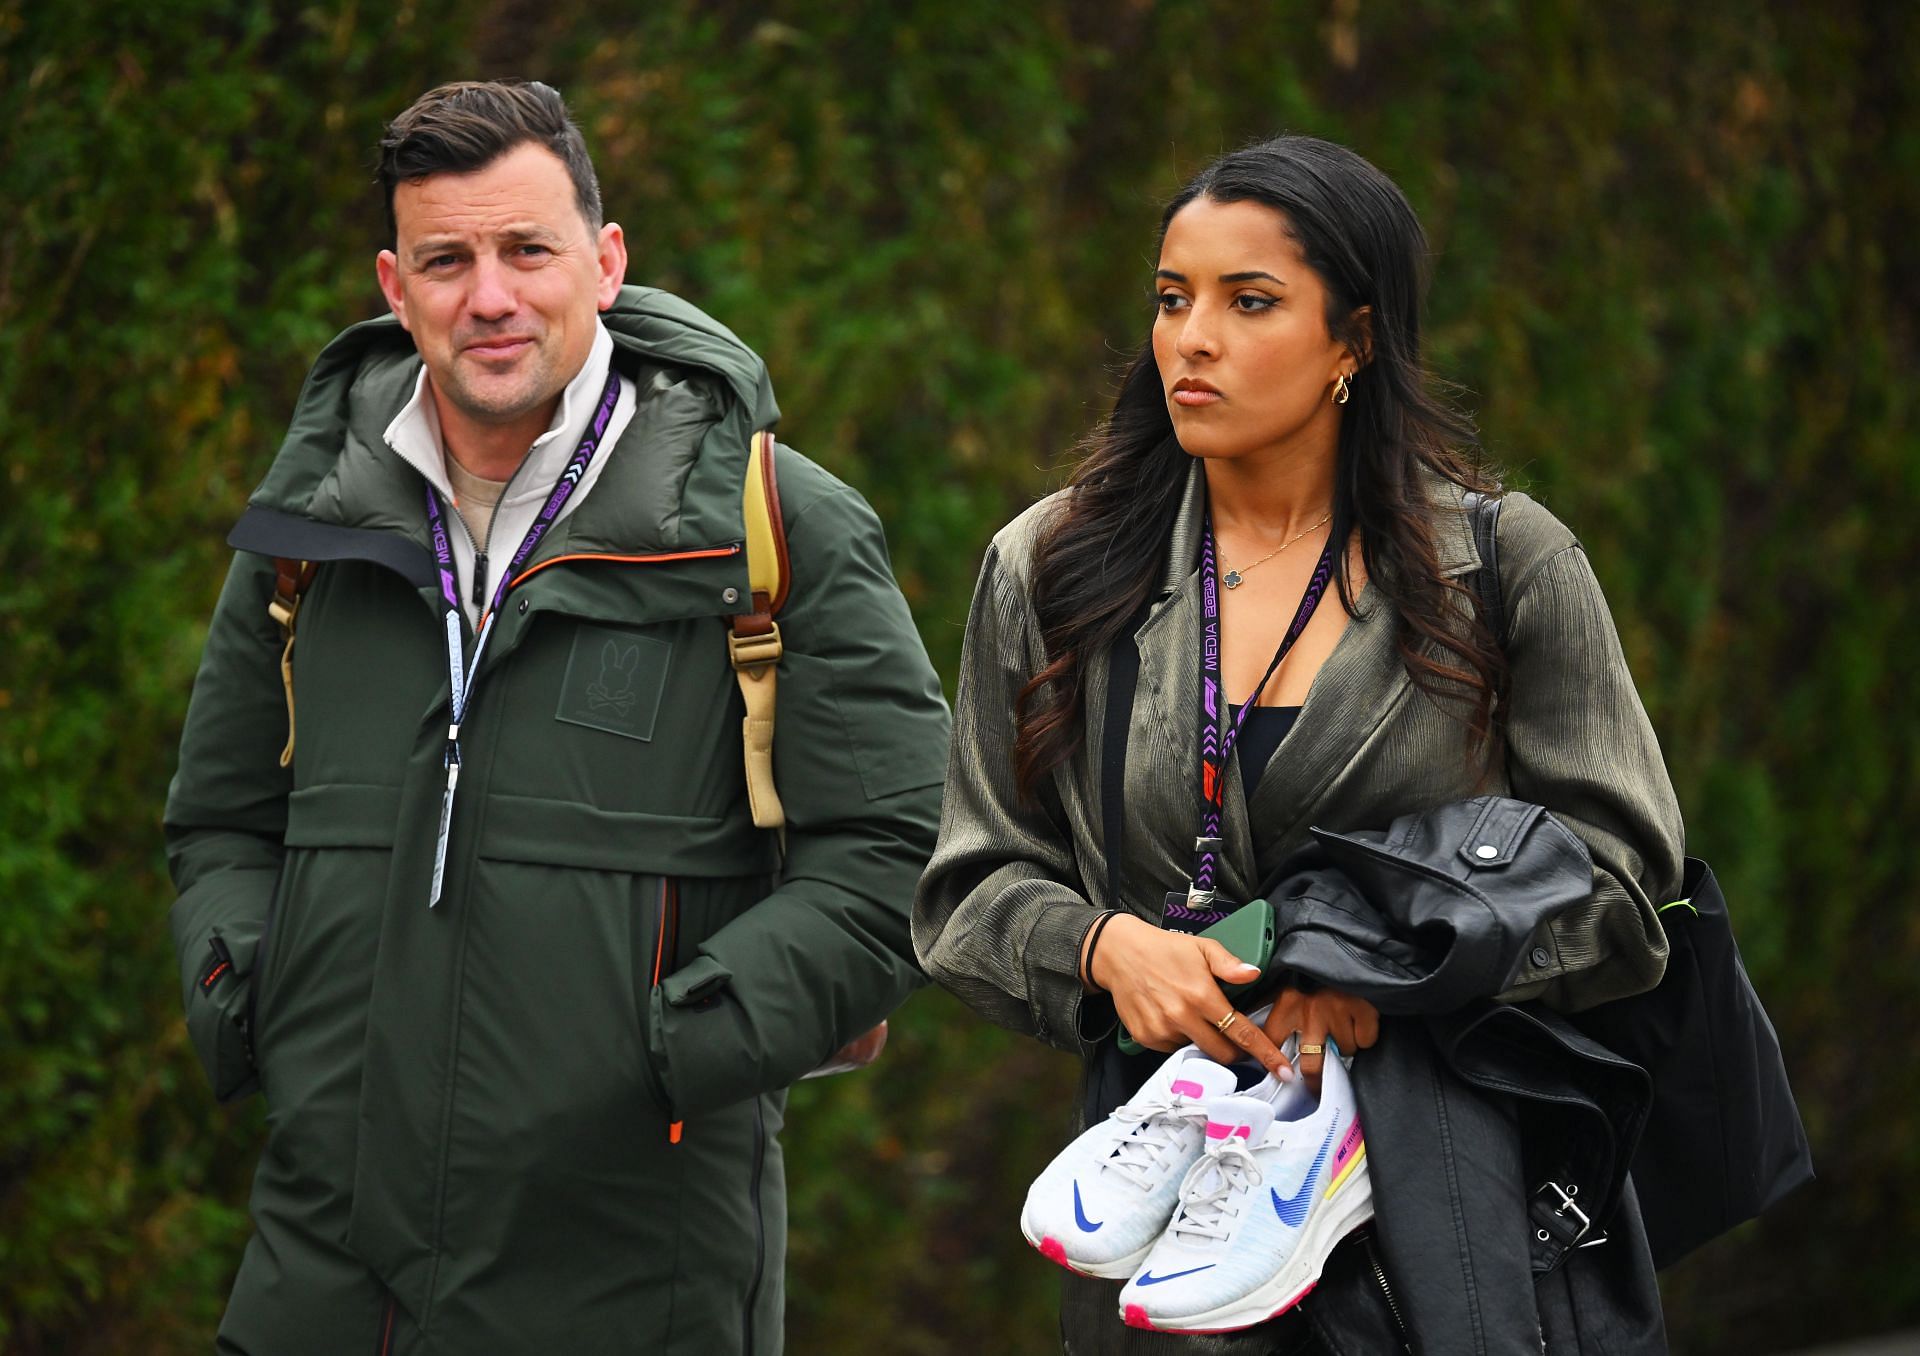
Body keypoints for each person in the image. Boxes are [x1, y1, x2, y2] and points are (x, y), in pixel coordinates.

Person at [166, 80, 950, 1354]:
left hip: (635, 1287)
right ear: (392, 282)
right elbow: (221, 818)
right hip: (316, 1290)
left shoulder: (770, 525)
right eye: (447, 259)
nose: (490, 296)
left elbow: (900, 855)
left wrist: (670, 1049)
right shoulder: (313, 527)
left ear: (605, 259)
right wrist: (250, 994)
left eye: (527, 250)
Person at [913, 136, 1684, 1352]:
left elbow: (1627, 882)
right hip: (1168, 1196)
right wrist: (1105, 949)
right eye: (1173, 299)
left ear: (1355, 340)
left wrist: (1392, 968)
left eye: (1249, 300)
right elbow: (968, 885)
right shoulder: (1053, 567)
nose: (1192, 339)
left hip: (1446, 1189)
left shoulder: (1501, 566)